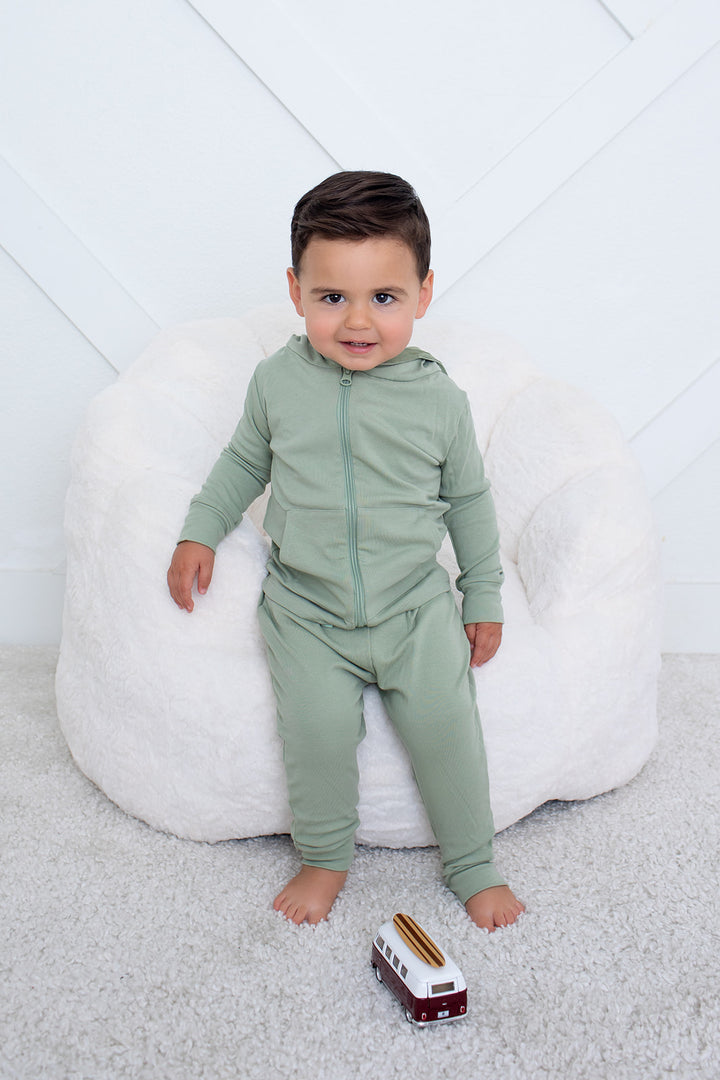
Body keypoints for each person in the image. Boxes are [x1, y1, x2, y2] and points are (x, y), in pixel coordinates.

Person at [167, 171, 525, 931]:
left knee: (448, 728)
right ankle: (325, 856)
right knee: (318, 733)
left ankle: (472, 861)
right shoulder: (276, 384)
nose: (358, 321)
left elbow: (469, 501)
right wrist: (200, 528)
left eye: (384, 299)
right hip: (307, 609)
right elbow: (241, 464)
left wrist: (482, 595)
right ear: (296, 292)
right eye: (333, 298)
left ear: (424, 295)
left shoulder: (438, 399)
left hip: (414, 609)